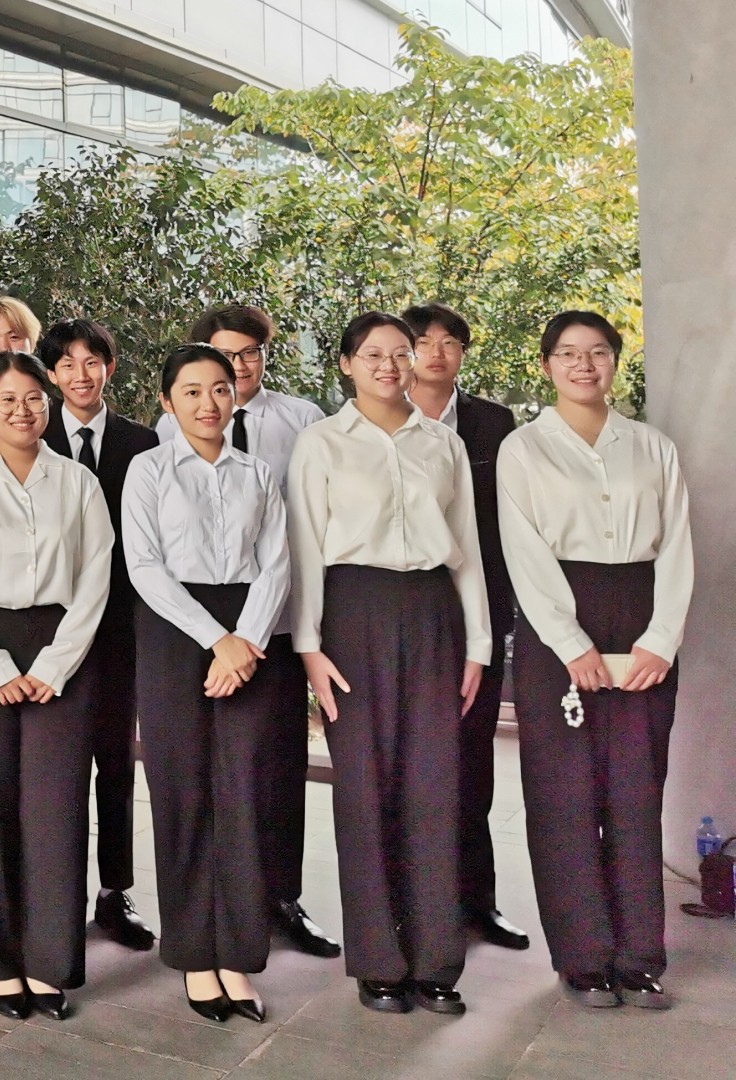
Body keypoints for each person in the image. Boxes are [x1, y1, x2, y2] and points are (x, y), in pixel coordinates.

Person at [288, 311, 490, 1016]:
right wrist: (308, 646)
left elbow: (467, 548)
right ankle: (378, 961)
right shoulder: (321, 443)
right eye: (372, 353)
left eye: (400, 352)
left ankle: (436, 961)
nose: (389, 364)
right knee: (364, 790)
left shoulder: (443, 443)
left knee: (435, 787)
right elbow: (305, 547)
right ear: (346, 363)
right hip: (352, 614)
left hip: (433, 610)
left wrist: (478, 644)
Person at [498, 311, 692, 1010]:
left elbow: (678, 546)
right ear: (546, 364)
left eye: (599, 351)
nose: (584, 364)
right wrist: (570, 642)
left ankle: (640, 956)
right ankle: (583, 957)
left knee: (636, 794)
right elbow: (524, 551)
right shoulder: (524, 449)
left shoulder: (652, 447)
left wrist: (661, 638)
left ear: (615, 361)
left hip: (643, 622)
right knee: (565, 796)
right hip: (559, 625)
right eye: (569, 353)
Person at [157, 304, 338, 960]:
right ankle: (216, 907)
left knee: (278, 766)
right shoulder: (170, 426)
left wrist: (259, 634)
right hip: (201, 629)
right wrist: (221, 639)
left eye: (248, 353)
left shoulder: (303, 420)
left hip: (278, 621)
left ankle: (282, 897)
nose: (237, 367)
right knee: (207, 772)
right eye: (224, 354)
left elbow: (311, 523)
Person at [0, 351, 111, 1022]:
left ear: (50, 403)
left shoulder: (78, 482)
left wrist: (53, 666)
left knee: (56, 809)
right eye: (7, 399)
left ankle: (49, 962)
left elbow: (96, 578)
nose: (22, 410)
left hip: (63, 648)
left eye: (34, 398)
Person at [124, 344, 290, 1025]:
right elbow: (144, 565)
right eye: (191, 391)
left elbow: (277, 564)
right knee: (183, 791)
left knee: (245, 794)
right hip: (175, 633)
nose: (208, 403)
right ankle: (195, 953)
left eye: (220, 388)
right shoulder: (148, 469)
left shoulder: (260, 473)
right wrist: (215, 639)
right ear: (167, 402)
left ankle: (238, 956)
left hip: (249, 632)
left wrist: (244, 640)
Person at [402, 302, 530, 952]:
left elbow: (509, 519)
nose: (436, 353)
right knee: (409, 763)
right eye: (423, 341)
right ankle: (414, 904)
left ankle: (478, 900)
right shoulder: (376, 421)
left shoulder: (492, 424)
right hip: (403, 616)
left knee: (473, 758)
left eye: (450, 342)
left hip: (478, 609)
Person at [37, 318, 159, 951]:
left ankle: (115, 891)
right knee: (53, 769)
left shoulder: (143, 443)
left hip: (119, 631)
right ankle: (51, 891)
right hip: (46, 630)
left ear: (109, 368)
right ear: (51, 374)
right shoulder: (33, 435)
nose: (80, 374)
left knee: (115, 763)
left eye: (92, 362)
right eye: (67, 363)